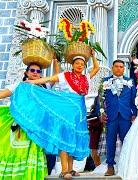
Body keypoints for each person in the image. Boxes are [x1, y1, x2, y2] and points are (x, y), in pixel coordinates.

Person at [11, 50, 99, 179]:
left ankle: (71, 169)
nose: (80, 65)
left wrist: (93, 56)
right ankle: (64, 170)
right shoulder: (65, 76)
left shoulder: (85, 78)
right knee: (64, 138)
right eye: (77, 63)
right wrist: (30, 82)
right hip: (65, 109)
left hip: (79, 111)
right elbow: (48, 79)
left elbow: (96, 68)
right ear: (72, 65)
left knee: (73, 138)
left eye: (82, 64)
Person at [0, 58, 59, 179]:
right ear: (26, 73)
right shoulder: (18, 86)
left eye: (38, 71)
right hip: (22, 128)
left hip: (40, 127)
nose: (35, 73)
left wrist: (55, 60)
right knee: (20, 155)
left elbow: (56, 76)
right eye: (32, 70)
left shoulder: (45, 87)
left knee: (48, 156)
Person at [100, 60, 137, 176]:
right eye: (116, 66)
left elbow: (134, 99)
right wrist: (100, 113)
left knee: (126, 141)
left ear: (124, 69)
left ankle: (126, 166)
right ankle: (110, 166)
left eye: (121, 67)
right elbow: (100, 99)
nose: (118, 68)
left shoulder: (130, 81)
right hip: (110, 116)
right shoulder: (105, 81)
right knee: (110, 141)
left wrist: (135, 113)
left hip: (125, 116)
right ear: (112, 68)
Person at [87, 96, 103, 167]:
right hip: (95, 127)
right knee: (93, 148)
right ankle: (97, 166)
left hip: (103, 125)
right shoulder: (97, 98)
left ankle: (100, 166)